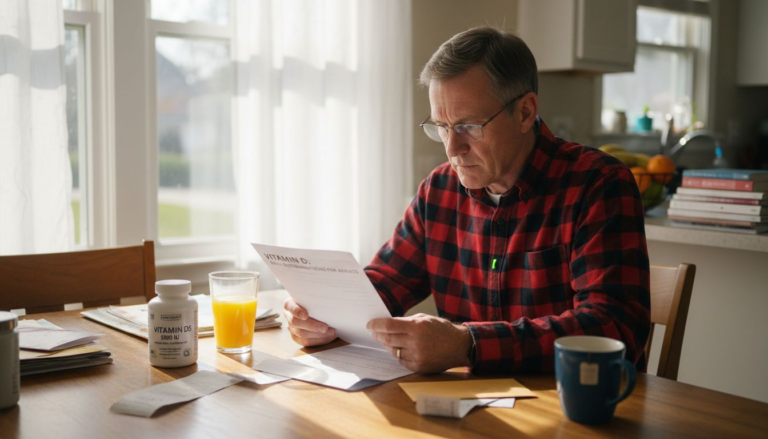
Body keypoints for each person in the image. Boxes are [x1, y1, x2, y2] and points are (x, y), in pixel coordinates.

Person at [283, 26, 650, 374]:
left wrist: (469, 344)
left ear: (525, 112)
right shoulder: (440, 190)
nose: (453, 148)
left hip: (573, 404)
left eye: (469, 126)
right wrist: (321, 314)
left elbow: (614, 326)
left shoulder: (597, 183)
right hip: (467, 402)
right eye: (442, 127)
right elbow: (385, 284)